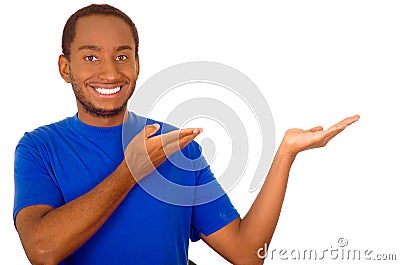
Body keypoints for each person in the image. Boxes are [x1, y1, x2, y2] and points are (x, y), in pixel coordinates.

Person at [13, 4, 360, 265]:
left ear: (136, 65)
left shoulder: (177, 147)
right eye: (90, 57)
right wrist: (131, 171)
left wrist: (285, 154)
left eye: (123, 56)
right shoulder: (39, 148)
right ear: (65, 67)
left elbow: (246, 253)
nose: (109, 71)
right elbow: (41, 249)